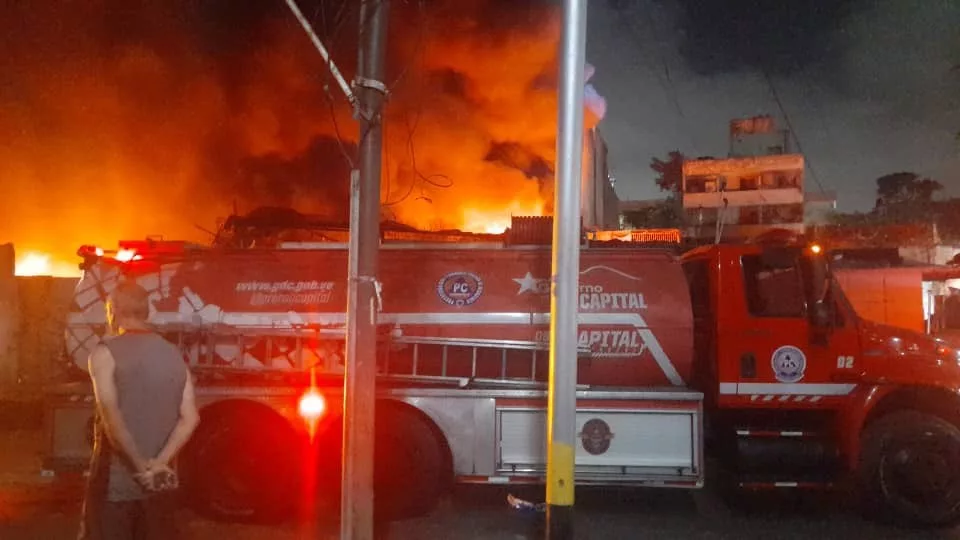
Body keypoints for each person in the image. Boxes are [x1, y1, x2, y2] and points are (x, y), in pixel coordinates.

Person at [78, 280, 200, 540]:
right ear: (148, 312)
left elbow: (112, 420)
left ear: (113, 310)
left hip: (115, 484)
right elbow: (190, 418)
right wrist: (158, 464)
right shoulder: (173, 354)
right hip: (159, 483)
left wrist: (139, 468)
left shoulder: (103, 354)